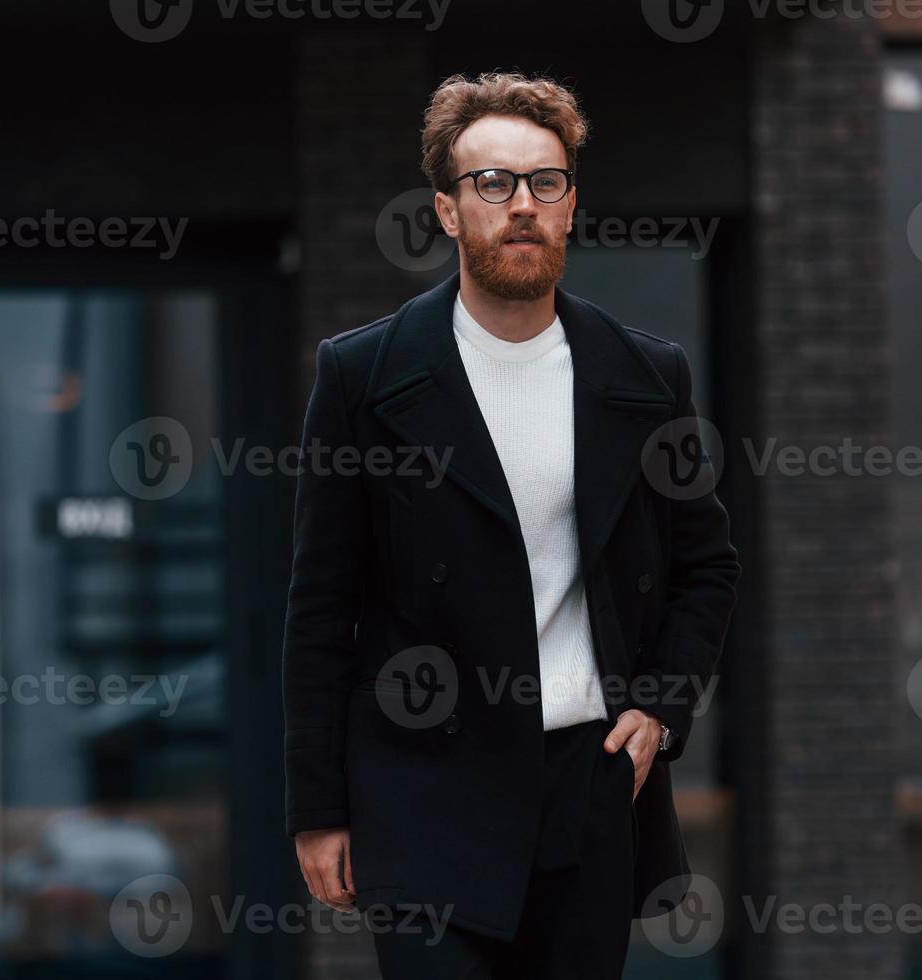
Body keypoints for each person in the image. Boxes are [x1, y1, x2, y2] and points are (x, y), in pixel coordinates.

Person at [283, 70, 740, 978]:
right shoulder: (365, 377)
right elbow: (321, 608)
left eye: (545, 182)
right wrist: (318, 807)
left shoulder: (645, 376)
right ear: (449, 212)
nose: (520, 205)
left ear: (571, 205)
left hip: (587, 781)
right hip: (425, 786)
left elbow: (706, 566)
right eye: (492, 183)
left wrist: (661, 705)